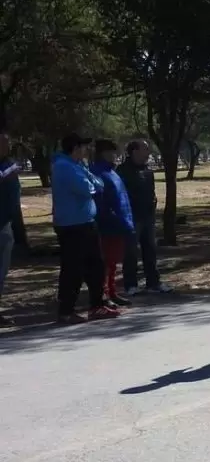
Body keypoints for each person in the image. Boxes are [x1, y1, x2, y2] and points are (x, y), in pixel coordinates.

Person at [51, 133, 119, 323]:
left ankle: (97, 305)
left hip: (87, 222)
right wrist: (91, 183)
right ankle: (66, 311)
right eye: (84, 146)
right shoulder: (64, 167)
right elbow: (86, 188)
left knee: (96, 265)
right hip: (72, 225)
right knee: (73, 269)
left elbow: (99, 184)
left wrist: (90, 180)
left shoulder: (78, 165)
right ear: (75, 148)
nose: (87, 150)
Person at [117, 139, 172, 295]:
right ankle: (130, 285)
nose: (148, 153)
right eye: (145, 149)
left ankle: (153, 283)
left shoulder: (148, 171)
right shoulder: (122, 171)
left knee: (150, 250)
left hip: (148, 217)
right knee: (131, 252)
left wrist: (153, 203)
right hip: (132, 217)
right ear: (134, 151)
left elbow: (151, 192)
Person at [89, 139, 135, 308]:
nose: (115, 155)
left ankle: (112, 292)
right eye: (112, 152)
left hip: (120, 223)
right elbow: (101, 203)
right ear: (103, 153)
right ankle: (104, 294)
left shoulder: (113, 172)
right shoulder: (97, 173)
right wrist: (113, 218)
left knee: (114, 261)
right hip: (107, 225)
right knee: (106, 262)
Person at [0, 132, 21, 326]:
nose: (7, 146)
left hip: (6, 224)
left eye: (8, 143)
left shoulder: (9, 163)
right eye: (3, 143)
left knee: (2, 270)